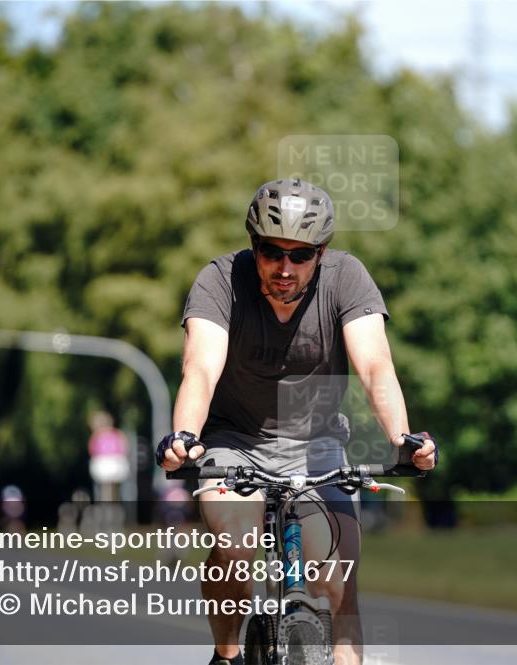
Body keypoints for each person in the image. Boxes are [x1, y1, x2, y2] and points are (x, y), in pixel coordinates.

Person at [156, 179, 438, 665]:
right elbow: (200, 367)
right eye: (271, 252)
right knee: (237, 546)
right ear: (253, 246)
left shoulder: (347, 278)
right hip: (233, 443)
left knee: (337, 580)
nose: (285, 268)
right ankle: (227, 655)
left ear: (322, 252)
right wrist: (185, 436)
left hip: (318, 445)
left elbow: (374, 365)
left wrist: (401, 438)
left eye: (301, 255)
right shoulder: (220, 280)